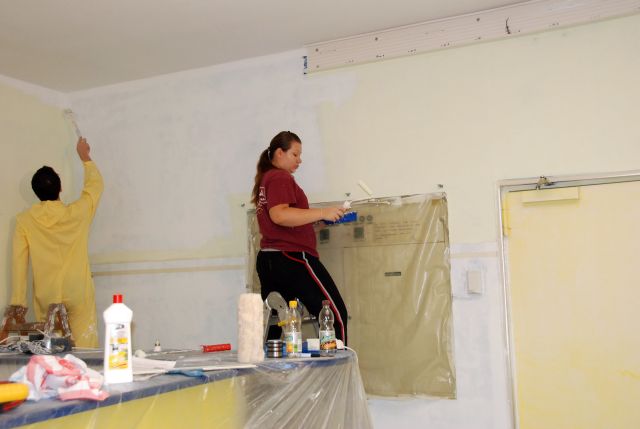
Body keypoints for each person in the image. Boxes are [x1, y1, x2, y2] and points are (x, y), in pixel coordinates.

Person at [252, 131, 349, 343]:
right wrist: (322, 212)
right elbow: (279, 215)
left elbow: (283, 222)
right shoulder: (280, 177)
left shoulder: (266, 179)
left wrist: (318, 222)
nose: (299, 160)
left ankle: (266, 364)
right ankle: (338, 364)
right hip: (292, 258)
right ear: (279, 153)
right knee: (333, 315)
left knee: (278, 324)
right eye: (295, 154)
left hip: (270, 260)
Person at [9, 137, 103, 348]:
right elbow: (95, 187)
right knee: (85, 346)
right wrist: (85, 157)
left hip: (47, 294)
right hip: (78, 289)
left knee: (52, 349)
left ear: (36, 193)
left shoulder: (24, 221)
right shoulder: (77, 213)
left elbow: (18, 262)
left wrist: (18, 303)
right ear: (60, 188)